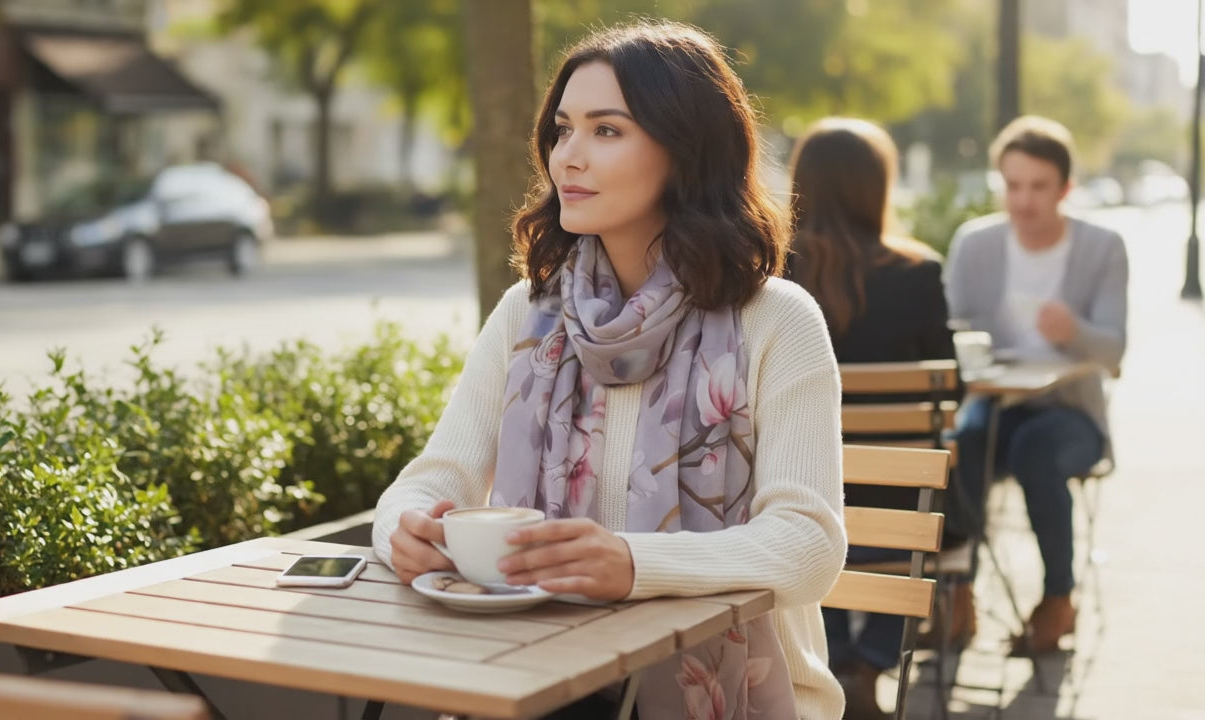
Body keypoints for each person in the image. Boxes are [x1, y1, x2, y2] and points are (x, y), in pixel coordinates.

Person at [371, 21, 847, 720]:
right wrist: (405, 528)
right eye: (563, 130)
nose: (569, 157)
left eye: (606, 131)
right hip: (539, 676)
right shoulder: (526, 315)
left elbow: (809, 545)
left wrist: (631, 566)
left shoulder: (776, 320)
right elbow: (434, 478)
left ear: (686, 151)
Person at [786, 117, 956, 720]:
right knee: (915, 495)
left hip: (800, 502)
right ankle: (869, 661)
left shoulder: (773, 276)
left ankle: (832, 659)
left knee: (818, 498)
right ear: (876, 187)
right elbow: (950, 381)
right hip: (902, 510)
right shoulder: (918, 274)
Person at [943, 115, 1128, 656]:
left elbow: (1114, 351)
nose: (1023, 201)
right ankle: (957, 595)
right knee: (961, 445)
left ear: (1066, 189)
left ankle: (1057, 599)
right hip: (994, 401)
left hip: (1071, 411)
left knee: (1034, 448)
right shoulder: (975, 244)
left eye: (1038, 187)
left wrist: (1075, 331)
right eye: (1013, 185)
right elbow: (948, 331)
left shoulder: (1102, 247)